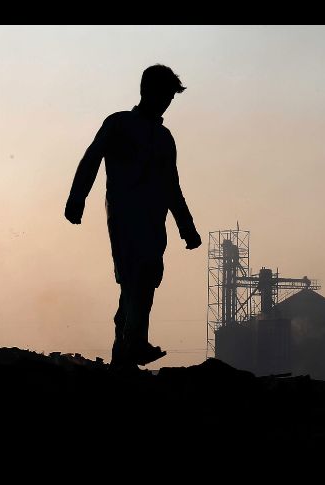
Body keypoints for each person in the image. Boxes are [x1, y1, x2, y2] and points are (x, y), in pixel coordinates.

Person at [65, 64, 202, 369]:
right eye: (164, 95)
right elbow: (91, 158)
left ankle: (124, 353)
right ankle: (135, 342)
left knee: (143, 281)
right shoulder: (119, 124)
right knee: (136, 275)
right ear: (146, 91)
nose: (166, 102)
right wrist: (77, 198)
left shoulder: (164, 138)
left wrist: (186, 227)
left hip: (154, 221)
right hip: (125, 216)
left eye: (170, 97)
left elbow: (171, 186)